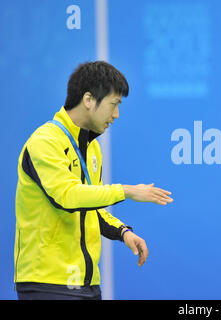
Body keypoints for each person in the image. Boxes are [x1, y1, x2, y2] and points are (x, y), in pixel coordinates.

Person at [14, 61, 174, 300]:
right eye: (114, 104)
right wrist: (127, 191)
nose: (117, 114)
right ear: (89, 100)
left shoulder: (92, 149)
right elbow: (67, 197)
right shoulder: (44, 142)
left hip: (87, 284)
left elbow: (90, 208)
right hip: (46, 283)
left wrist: (123, 232)